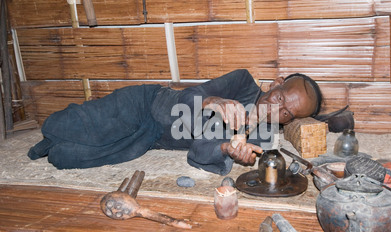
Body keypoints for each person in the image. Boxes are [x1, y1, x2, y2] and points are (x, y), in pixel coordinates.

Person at [28, 69, 322, 175]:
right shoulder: (242, 82)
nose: (275, 110)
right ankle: (56, 131)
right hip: (147, 103)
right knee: (64, 125)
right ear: (276, 83)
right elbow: (189, 96)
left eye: (286, 114)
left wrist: (227, 150)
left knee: (66, 158)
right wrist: (213, 102)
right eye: (280, 98)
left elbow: (198, 152)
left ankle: (53, 146)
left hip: (151, 139)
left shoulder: (260, 136)